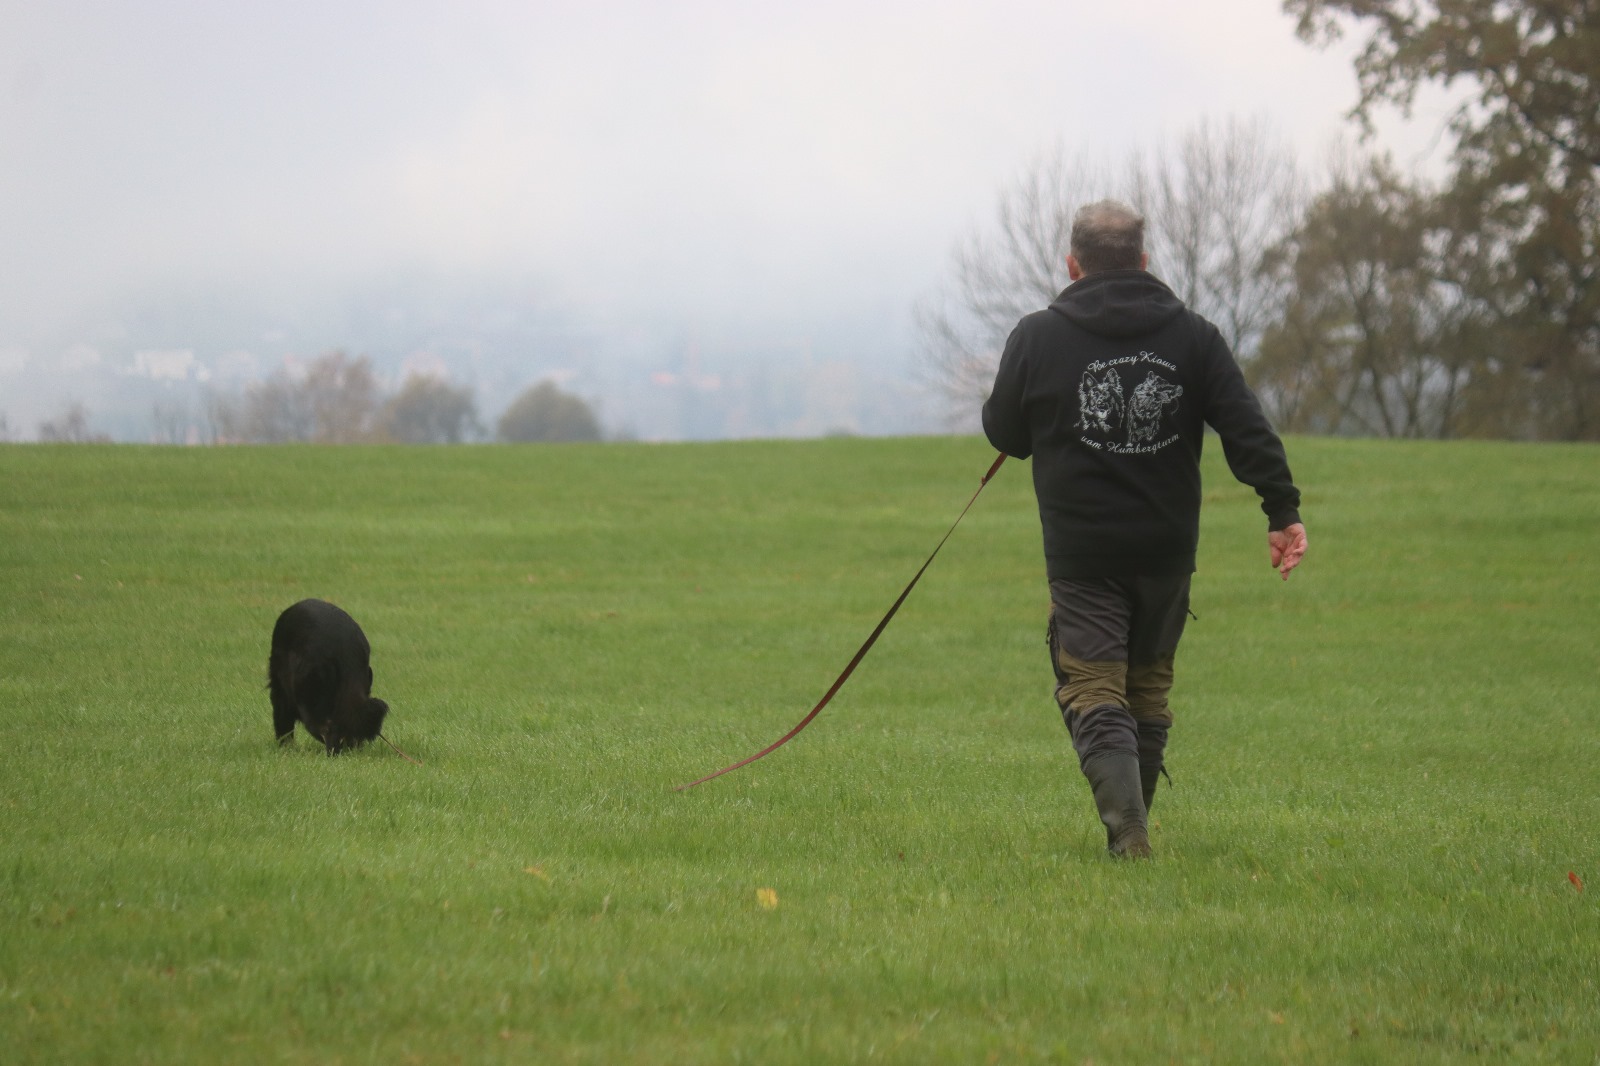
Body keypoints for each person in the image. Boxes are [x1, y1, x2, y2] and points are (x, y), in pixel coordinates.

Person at [981, 199, 1306, 859]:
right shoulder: (1194, 337)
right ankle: (1132, 828)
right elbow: (1246, 426)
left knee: (1093, 684)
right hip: (1166, 549)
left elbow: (1005, 433)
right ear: (1145, 262)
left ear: (1074, 266)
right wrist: (1282, 510)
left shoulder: (1038, 337)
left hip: (1083, 550)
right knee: (1148, 685)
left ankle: (1128, 830)